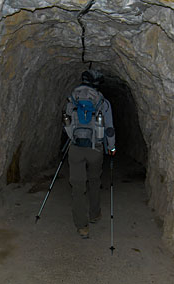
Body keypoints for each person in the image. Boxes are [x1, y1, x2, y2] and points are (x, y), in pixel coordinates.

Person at [62, 70, 116, 239]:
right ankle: (94, 214)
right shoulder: (103, 102)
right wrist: (111, 148)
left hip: (76, 148)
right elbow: (109, 129)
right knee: (94, 180)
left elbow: (66, 122)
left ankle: (82, 226)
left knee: (77, 188)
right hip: (95, 149)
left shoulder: (72, 100)